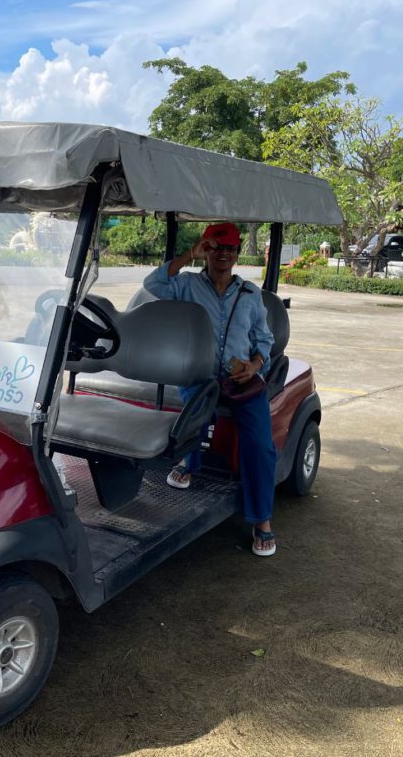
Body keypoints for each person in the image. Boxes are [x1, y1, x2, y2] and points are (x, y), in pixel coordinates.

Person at [143, 222, 278, 557]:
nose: (224, 255)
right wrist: (189, 254)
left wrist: (255, 366)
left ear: (237, 253)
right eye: (217, 247)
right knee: (189, 422)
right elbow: (153, 283)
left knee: (260, 446)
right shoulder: (187, 285)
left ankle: (261, 519)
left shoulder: (250, 295)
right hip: (200, 375)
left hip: (242, 380)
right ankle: (191, 462)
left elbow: (264, 341)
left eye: (230, 249)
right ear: (207, 249)